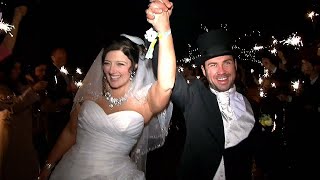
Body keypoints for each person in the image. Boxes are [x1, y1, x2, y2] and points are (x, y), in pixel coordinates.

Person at [38, 4, 175, 180]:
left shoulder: (144, 102)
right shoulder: (89, 95)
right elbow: (70, 132)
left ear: (133, 66)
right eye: (107, 63)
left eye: (120, 64)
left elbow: (165, 85)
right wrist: (48, 167)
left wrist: (164, 30)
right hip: (70, 170)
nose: (112, 70)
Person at [147, 1, 256, 179]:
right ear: (204, 71)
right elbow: (167, 75)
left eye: (226, 63)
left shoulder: (247, 103)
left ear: (235, 65)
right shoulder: (193, 96)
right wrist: (162, 27)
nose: (221, 71)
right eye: (213, 65)